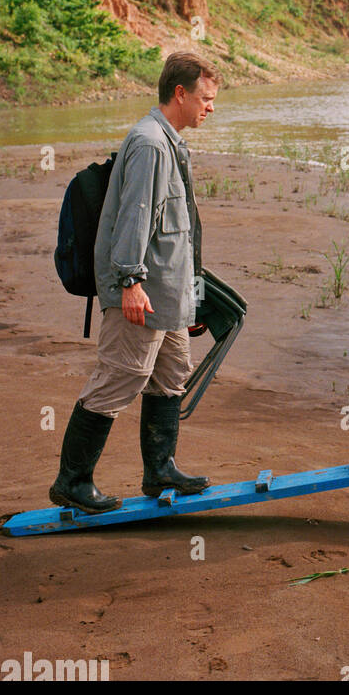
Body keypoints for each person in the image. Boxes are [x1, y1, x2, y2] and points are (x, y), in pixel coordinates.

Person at [49, 52, 219, 514]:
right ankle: (73, 481)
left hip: (166, 290)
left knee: (170, 376)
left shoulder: (170, 141)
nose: (210, 107)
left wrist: (190, 300)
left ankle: (160, 468)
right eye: (205, 98)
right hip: (140, 291)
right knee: (120, 377)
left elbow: (177, 232)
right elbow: (135, 217)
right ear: (179, 93)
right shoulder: (148, 143)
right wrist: (128, 282)